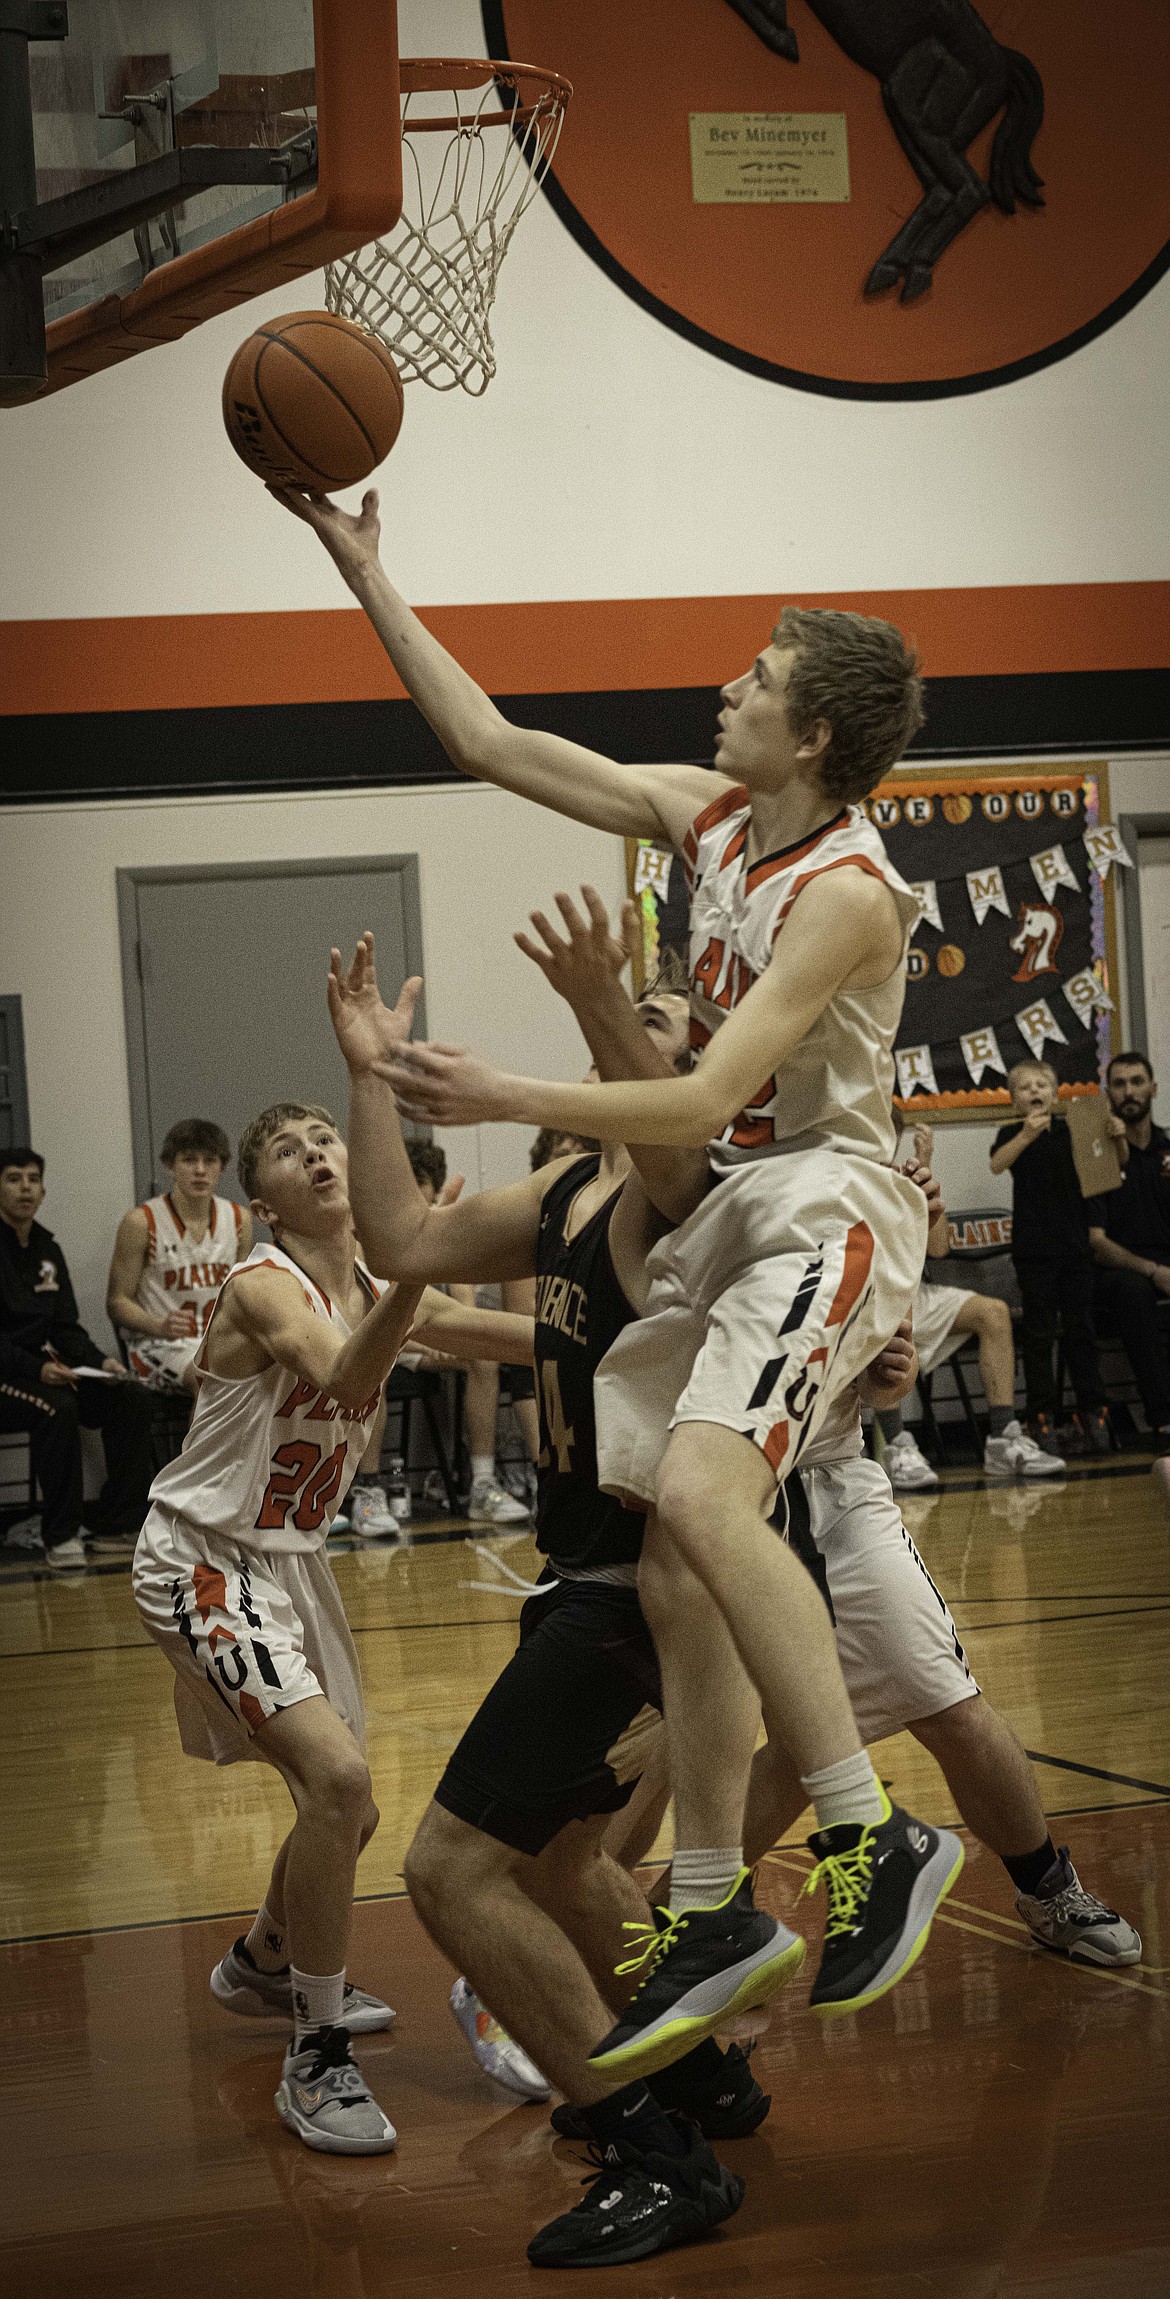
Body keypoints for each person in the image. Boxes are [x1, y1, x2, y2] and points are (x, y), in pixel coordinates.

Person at [277, 480, 960, 2068]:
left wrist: (510, 1088)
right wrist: (368, 570)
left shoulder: (847, 891)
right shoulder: (705, 816)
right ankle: (712, 1893)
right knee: (672, 1541)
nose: (727, 691)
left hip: (823, 1200)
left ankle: (871, 1835)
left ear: (814, 744)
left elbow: (700, 1100)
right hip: (733, 1214)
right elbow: (490, 742)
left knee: (711, 1502)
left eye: (757, 683)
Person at [329, 933, 753, 2266]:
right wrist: (370, 1081)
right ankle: (697, 2079)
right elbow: (397, 1236)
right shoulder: (571, 1190)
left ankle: (648, 2146)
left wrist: (584, 1000)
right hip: (579, 1572)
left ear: (702, 1073)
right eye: (624, 1006)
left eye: (660, 1017)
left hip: (644, 1587)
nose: (626, 1021)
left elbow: (677, 1136)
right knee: (568, 1862)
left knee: (448, 1868)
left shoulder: (698, 1192)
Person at [131, 1099, 534, 2156]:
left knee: (345, 1810)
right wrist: (413, 1271)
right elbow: (351, 1370)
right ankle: (315, 2058)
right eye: (286, 1149)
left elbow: (522, 1337)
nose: (316, 1152)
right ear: (261, 1198)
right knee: (341, 1783)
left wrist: (642, 1333)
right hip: (202, 1557)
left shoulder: (374, 1286)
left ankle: (267, 1961)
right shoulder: (266, 1284)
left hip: (293, 1566)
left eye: (326, 1139)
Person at [879, 1120, 1063, 1487]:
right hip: (868, 1298)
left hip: (916, 1293)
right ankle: (896, 1444)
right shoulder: (842, 1172)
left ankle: (1002, 1436)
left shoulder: (904, 1175)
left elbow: (938, 1249)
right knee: (887, 1317)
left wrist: (925, 1173)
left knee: (993, 1312)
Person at [0, 1147, 155, 1571]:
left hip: (46, 1367)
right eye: (14, 1178)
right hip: (12, 1372)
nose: (25, 1188)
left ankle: (120, 1523)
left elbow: (64, 1326)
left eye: (32, 1179)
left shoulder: (48, 1248)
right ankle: (61, 1534)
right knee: (58, 1408)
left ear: (44, 1190)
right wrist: (37, 1369)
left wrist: (99, 1363)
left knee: (129, 1398)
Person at [990, 1063, 1110, 1461]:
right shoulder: (1013, 1132)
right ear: (1014, 1099)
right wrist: (1026, 1133)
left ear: (1057, 1093)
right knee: (1039, 1334)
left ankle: (1093, 1411)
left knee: (1081, 1329)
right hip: (1034, 1251)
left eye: (1042, 1084)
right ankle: (1041, 1415)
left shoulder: (1073, 1129)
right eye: (1024, 1087)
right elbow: (997, 1163)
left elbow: (1102, 1172)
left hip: (1075, 1248)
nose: (1034, 1090)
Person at [106, 1118, 252, 1395]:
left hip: (216, 1341)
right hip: (160, 1344)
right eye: (189, 1160)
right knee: (210, 1383)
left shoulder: (238, 1219)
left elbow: (239, 1294)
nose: (200, 1170)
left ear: (222, 1167)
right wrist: (157, 1325)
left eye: (209, 1160)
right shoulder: (141, 1222)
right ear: (169, 1165)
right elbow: (117, 1302)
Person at [1088, 1050, 1170, 1446]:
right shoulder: (1098, 1157)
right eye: (1119, 1084)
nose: (1129, 1091)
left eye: (1137, 1081)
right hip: (1115, 1272)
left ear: (1153, 1088)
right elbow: (1097, 1243)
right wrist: (1154, 1272)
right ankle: (1163, 1416)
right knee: (1134, 1291)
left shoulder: (1168, 1150)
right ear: (1109, 1094)